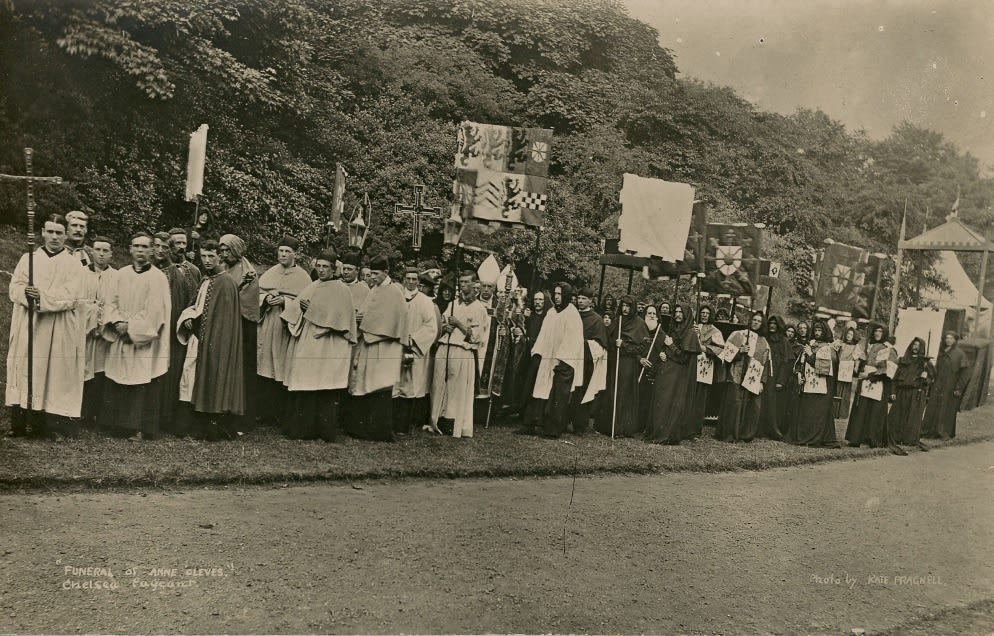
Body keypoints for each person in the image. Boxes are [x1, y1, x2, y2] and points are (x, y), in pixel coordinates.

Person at [6, 214, 87, 439]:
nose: (54, 237)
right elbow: (15, 287)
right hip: (28, 324)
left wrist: (41, 297)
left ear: (66, 235)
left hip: (56, 327)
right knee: (25, 369)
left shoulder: (73, 265)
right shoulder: (28, 258)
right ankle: (20, 424)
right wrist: (26, 295)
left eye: (59, 233)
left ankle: (50, 426)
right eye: (50, 232)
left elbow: (72, 296)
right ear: (42, 232)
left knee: (53, 374)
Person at [98, 232, 171, 440]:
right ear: (130, 249)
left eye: (145, 247)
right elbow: (110, 302)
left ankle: (138, 427)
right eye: (136, 246)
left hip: (142, 339)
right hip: (120, 334)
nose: (140, 251)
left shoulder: (158, 278)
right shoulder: (120, 274)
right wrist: (117, 323)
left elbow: (156, 311)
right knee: (118, 376)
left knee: (140, 380)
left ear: (151, 251)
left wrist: (132, 329)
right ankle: (118, 425)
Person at [280, 250, 357, 441]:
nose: (321, 270)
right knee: (306, 384)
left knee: (324, 387)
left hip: (328, 345)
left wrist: (311, 310)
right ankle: (302, 430)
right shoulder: (312, 286)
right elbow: (295, 310)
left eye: (325, 267)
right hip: (308, 342)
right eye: (319, 266)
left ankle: (325, 430)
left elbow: (341, 322)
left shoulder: (341, 289)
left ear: (333, 270)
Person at [177, 240, 245, 440]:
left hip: (213, 342)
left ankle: (209, 428)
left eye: (211, 256)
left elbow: (223, 321)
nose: (206, 260)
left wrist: (201, 330)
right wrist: (190, 318)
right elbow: (198, 306)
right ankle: (191, 426)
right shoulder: (207, 279)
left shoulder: (225, 282)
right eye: (203, 256)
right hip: (199, 339)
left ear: (220, 257)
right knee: (190, 378)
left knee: (208, 378)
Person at [350, 254, 408, 441]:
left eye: (375, 273)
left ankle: (380, 431)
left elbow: (391, 321)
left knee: (380, 386)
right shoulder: (375, 289)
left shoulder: (394, 292)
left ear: (386, 272)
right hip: (370, 343)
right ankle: (364, 428)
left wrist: (363, 321)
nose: (372, 277)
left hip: (385, 346)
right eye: (371, 273)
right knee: (366, 385)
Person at [256, 236, 312, 428]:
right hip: (267, 322)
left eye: (287, 251)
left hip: (286, 326)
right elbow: (259, 292)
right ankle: (263, 412)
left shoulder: (303, 277)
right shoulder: (271, 272)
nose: (283, 255)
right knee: (264, 366)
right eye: (281, 251)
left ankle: (279, 413)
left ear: (295, 254)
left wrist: (285, 302)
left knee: (280, 367)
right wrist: (266, 299)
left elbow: (305, 302)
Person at [149, 231, 198, 434]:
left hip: (170, 331)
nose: (160, 251)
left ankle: (165, 417)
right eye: (157, 246)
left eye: (164, 247)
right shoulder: (147, 269)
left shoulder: (177, 274)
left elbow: (186, 300)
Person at [431, 270, 489, 437]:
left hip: (462, 350)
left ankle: (453, 422)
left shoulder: (479, 308)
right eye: (461, 282)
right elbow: (441, 324)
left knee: (457, 388)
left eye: (466, 282)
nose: (462, 285)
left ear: (474, 284)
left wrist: (458, 324)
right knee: (440, 382)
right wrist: (445, 328)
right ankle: (437, 418)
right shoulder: (453, 304)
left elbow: (477, 336)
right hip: (446, 346)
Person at [524, 282, 584, 438]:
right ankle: (533, 424)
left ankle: (552, 429)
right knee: (540, 389)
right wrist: (538, 352)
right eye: (555, 294)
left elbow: (573, 340)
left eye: (560, 294)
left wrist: (561, 360)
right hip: (547, 358)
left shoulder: (572, 314)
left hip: (563, 362)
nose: (556, 297)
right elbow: (543, 334)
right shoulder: (551, 312)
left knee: (557, 396)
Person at [393, 267, 440, 436]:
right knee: (394, 383)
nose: (411, 282)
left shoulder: (425, 301)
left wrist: (413, 339)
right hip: (395, 346)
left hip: (414, 348)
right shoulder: (396, 297)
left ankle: (404, 425)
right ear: (404, 279)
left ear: (418, 282)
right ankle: (392, 422)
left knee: (411, 386)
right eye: (408, 278)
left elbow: (431, 327)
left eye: (414, 279)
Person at [645, 303, 702, 444]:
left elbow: (683, 357)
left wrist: (670, 346)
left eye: (680, 312)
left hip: (678, 375)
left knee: (668, 402)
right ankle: (656, 430)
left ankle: (666, 433)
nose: (677, 314)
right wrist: (664, 352)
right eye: (675, 311)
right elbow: (667, 346)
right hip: (667, 370)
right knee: (660, 399)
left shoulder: (690, 333)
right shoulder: (674, 328)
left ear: (686, 314)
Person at [219, 234, 259, 426]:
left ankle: (242, 417)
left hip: (243, 326)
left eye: (228, 250)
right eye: (223, 250)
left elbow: (243, 301)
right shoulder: (225, 266)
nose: (224, 254)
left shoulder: (248, 272)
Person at [596, 295, 649, 437]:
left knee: (623, 393)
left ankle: (621, 427)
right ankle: (607, 426)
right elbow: (609, 337)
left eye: (628, 306)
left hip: (628, 364)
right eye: (623, 306)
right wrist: (615, 343)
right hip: (615, 361)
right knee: (611, 390)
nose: (625, 309)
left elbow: (642, 347)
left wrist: (624, 345)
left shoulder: (639, 323)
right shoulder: (617, 320)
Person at [845, 323, 902, 452]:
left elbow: (889, 369)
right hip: (865, 381)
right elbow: (862, 363)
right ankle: (856, 439)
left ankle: (872, 439)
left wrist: (870, 375)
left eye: (880, 331)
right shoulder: (869, 346)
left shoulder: (888, 349)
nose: (877, 333)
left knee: (875, 411)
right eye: (876, 331)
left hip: (878, 382)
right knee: (861, 409)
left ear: (885, 334)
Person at [80, 236, 118, 428]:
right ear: (91, 251)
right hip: (85, 330)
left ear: (111, 254)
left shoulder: (116, 277)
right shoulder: (82, 273)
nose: (101, 254)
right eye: (98, 250)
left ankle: (95, 413)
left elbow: (115, 304)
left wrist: (102, 323)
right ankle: (81, 412)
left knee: (100, 370)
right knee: (83, 368)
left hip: (105, 332)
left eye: (105, 251)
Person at [715, 311, 771, 442]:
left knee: (748, 406)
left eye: (759, 321)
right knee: (734, 403)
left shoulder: (764, 342)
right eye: (754, 320)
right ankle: (728, 433)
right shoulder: (738, 335)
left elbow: (765, 363)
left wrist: (762, 382)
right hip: (736, 373)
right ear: (750, 320)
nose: (756, 322)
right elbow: (725, 354)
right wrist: (739, 351)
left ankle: (742, 434)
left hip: (752, 377)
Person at [791, 319, 841, 447]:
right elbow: (802, 363)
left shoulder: (828, 348)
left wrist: (810, 354)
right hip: (809, 384)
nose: (817, 333)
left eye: (820, 330)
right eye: (815, 330)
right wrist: (800, 374)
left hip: (822, 387)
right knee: (808, 411)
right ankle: (805, 435)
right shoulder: (811, 344)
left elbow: (823, 368)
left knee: (818, 412)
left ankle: (815, 438)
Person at [569, 287, 608, 435]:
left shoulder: (596, 320)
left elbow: (599, 346)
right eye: (579, 298)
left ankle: (579, 425)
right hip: (570, 359)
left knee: (582, 392)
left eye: (584, 298)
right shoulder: (572, 315)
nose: (580, 301)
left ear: (591, 301)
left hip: (585, 362)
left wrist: (582, 344)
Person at [921, 331, 971, 440]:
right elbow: (936, 371)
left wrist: (959, 387)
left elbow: (965, 373)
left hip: (950, 386)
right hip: (938, 385)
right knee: (934, 406)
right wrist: (928, 366)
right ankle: (929, 431)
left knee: (946, 408)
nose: (948, 340)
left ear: (955, 340)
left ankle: (943, 432)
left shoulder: (959, 354)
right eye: (947, 338)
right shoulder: (943, 352)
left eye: (951, 338)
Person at [686, 304, 725, 439]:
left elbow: (720, 349)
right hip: (690, 364)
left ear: (711, 315)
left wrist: (703, 348)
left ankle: (694, 430)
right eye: (702, 312)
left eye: (707, 313)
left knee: (699, 399)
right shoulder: (693, 326)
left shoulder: (715, 331)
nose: (704, 315)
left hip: (704, 366)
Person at [889, 337, 933, 451]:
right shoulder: (904, 360)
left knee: (912, 417)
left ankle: (909, 439)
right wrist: (893, 392)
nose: (915, 347)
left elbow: (930, 380)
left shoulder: (925, 364)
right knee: (897, 416)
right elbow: (895, 378)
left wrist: (925, 378)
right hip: (901, 392)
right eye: (914, 345)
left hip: (916, 393)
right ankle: (896, 438)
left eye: (918, 345)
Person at [758, 315, 792, 440]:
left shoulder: (784, 341)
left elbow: (786, 363)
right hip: (762, 372)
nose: (772, 325)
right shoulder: (764, 338)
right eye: (770, 323)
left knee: (772, 404)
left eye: (775, 324)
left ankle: (772, 430)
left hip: (775, 376)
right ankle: (758, 429)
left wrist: (781, 381)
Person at [636, 304, 662, 429]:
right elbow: (633, 348)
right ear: (644, 315)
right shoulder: (638, 329)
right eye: (649, 313)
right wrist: (639, 359)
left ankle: (644, 425)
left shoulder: (660, 332)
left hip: (654, 371)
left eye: (654, 314)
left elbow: (664, 349)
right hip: (637, 368)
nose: (652, 316)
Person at [834, 322, 863, 418]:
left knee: (845, 391)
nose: (849, 336)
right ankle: (834, 411)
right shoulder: (841, 344)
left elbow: (856, 359)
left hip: (847, 371)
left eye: (851, 334)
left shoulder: (856, 347)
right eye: (848, 334)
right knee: (837, 389)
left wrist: (854, 366)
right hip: (839, 368)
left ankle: (842, 413)